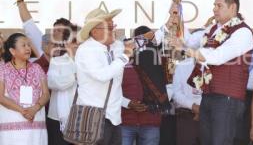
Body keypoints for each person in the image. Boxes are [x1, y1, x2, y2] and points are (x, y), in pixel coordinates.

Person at [170, 0, 253, 145]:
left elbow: (217, 57)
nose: (214, 9)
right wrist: (177, 15)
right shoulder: (213, 29)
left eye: (219, 5)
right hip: (208, 95)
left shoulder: (243, 32)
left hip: (227, 99)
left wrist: (185, 50)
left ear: (233, 7)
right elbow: (189, 41)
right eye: (214, 5)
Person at [75, 8, 135, 145]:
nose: (114, 29)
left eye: (113, 25)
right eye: (109, 27)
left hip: (114, 117)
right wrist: (125, 56)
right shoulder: (86, 50)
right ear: (95, 31)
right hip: (93, 118)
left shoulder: (117, 46)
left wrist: (168, 26)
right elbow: (103, 75)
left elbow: (141, 41)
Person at [121, 26, 171, 145]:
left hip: (150, 120)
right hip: (126, 120)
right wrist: (128, 103)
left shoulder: (158, 65)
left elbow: (168, 86)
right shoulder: (122, 62)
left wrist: (159, 101)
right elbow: (114, 90)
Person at [0, 33, 50, 145]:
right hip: (12, 127)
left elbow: (46, 94)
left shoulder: (37, 68)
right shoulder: (2, 69)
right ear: (12, 51)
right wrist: (23, 111)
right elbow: (1, 97)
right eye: (23, 45)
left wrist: (34, 109)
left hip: (35, 124)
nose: (28, 48)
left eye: (28, 45)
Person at [8, 0, 72, 58]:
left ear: (66, 36)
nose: (55, 32)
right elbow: (28, 23)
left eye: (59, 31)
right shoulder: (42, 44)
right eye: (54, 30)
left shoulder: (69, 56)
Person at [47, 24, 79, 145]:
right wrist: (75, 73)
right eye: (74, 40)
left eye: (81, 41)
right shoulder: (57, 61)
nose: (77, 44)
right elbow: (55, 83)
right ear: (65, 42)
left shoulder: (88, 63)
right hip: (58, 118)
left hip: (83, 118)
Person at [172, 55, 202, 145]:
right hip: (186, 116)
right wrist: (193, 106)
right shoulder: (182, 65)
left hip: (209, 116)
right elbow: (176, 93)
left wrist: (203, 109)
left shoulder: (214, 63)